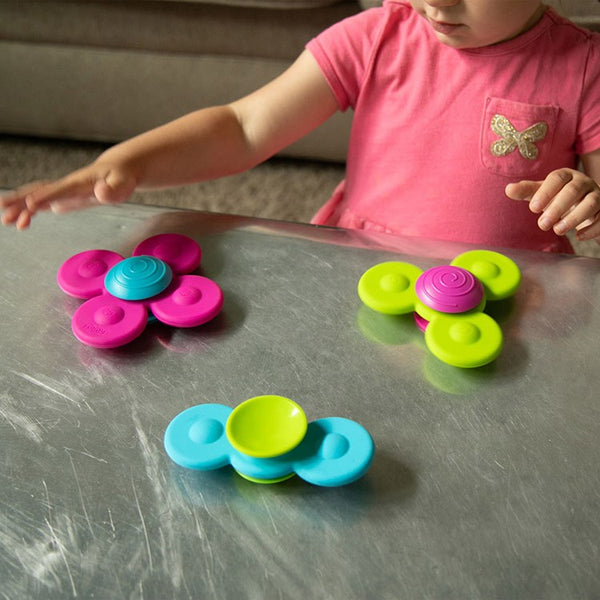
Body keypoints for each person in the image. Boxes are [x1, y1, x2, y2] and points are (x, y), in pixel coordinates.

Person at [2, 0, 599, 253]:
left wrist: (588, 201)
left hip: (506, 297)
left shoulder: (586, 67)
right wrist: (125, 163)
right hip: (358, 267)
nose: (437, 1)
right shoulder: (378, 36)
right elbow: (242, 127)